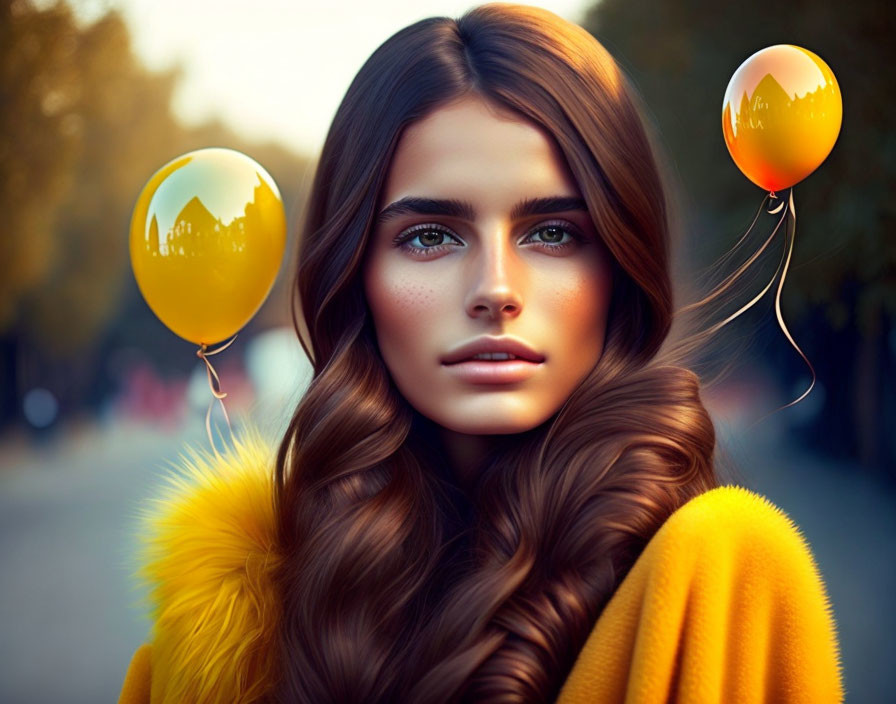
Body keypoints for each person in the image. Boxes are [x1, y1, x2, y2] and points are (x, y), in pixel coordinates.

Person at [118, 4, 844, 703]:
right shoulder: (219, 632)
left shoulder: (721, 584)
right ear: (354, 276)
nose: (496, 289)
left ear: (620, 269)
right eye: (430, 236)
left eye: (553, 232)